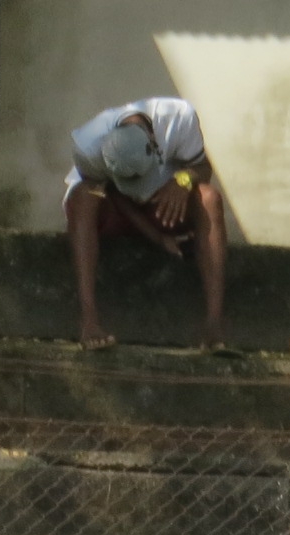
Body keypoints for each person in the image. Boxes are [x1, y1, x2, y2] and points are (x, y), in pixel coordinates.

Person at [64, 95, 226, 351]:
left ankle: (213, 325)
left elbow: (202, 167)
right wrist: (156, 237)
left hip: (164, 206)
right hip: (118, 209)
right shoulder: (88, 147)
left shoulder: (178, 117)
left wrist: (183, 181)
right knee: (84, 196)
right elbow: (112, 193)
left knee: (210, 198)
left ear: (154, 140)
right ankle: (89, 321)